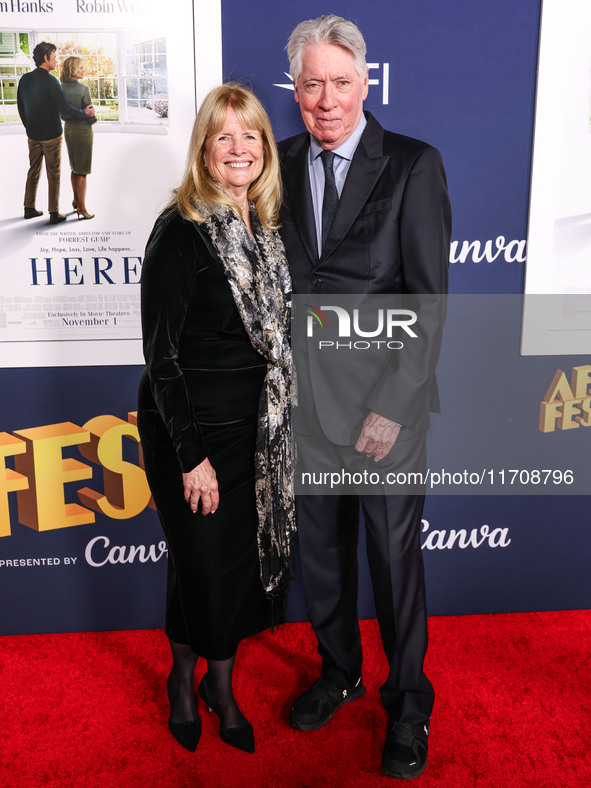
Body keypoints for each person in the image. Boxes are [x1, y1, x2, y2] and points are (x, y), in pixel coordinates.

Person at [278, 15, 451, 780]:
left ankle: (408, 703)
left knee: (390, 559)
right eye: (311, 83)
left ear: (365, 84)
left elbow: (430, 300)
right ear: (294, 88)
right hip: (303, 406)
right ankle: (339, 671)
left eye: (341, 82)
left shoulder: (412, 164)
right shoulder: (273, 164)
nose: (326, 99)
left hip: (386, 406)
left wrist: (393, 405)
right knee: (321, 557)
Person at [137, 83, 294, 755]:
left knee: (224, 567)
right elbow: (161, 357)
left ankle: (214, 684)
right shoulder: (181, 228)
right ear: (204, 147)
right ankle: (189, 681)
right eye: (223, 136)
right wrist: (191, 456)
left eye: (250, 135)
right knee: (203, 564)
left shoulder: (267, 230)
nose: (239, 148)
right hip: (190, 432)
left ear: (264, 147)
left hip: (255, 431)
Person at [17, 42, 94, 224]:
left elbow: (20, 107)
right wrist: (84, 113)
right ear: (46, 58)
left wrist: (28, 127)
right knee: (54, 174)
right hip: (52, 136)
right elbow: (65, 109)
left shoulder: (25, 79)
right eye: (54, 56)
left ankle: (29, 208)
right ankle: (54, 213)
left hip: (33, 136)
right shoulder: (51, 81)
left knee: (33, 171)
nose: (56, 59)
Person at [60, 56, 95, 220]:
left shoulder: (59, 88)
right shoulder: (83, 89)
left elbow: (62, 113)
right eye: (80, 68)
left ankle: (75, 200)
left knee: (75, 167)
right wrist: (92, 118)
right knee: (82, 171)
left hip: (68, 130)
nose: (83, 70)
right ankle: (82, 207)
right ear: (73, 69)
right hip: (82, 131)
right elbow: (89, 113)